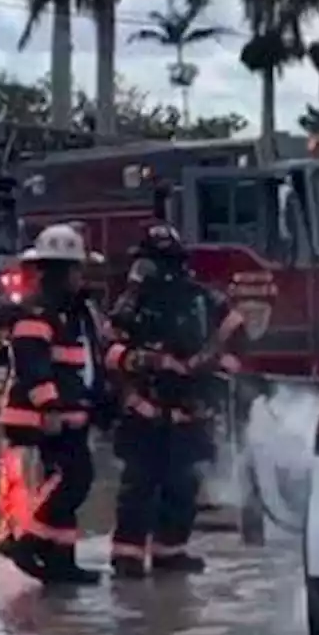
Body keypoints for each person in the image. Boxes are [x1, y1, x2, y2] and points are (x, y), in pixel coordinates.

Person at [103, 223, 246, 579]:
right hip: (144, 410)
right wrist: (147, 361)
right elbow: (108, 349)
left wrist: (210, 364)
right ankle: (128, 556)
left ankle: (170, 551)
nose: (152, 272)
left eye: (158, 263)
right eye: (149, 264)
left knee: (183, 486)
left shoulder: (202, 298)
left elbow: (237, 331)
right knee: (138, 486)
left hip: (190, 411)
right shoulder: (130, 303)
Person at [0, 223, 108, 586]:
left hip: (68, 416)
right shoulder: (37, 313)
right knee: (73, 479)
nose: (80, 277)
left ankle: (61, 562)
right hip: (41, 418)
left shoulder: (72, 313)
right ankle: (27, 540)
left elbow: (84, 362)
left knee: (70, 483)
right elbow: (33, 366)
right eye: (75, 269)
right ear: (60, 272)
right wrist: (52, 409)